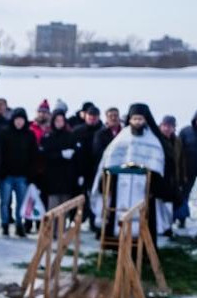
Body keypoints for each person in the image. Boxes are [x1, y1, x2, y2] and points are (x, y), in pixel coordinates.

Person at [90, 103, 175, 242]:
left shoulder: (153, 141)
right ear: (129, 120)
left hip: (144, 188)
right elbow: (109, 161)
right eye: (134, 119)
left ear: (146, 120)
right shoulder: (121, 139)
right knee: (118, 215)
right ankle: (116, 244)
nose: (137, 122)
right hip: (122, 185)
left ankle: (143, 245)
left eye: (140, 119)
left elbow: (157, 165)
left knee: (145, 217)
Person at [0, 108, 35, 237]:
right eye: (17, 119)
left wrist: (31, 174)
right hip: (6, 175)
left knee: (21, 202)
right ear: (13, 120)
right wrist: (0, 171)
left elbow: (33, 156)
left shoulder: (29, 135)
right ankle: (5, 224)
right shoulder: (4, 133)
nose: (19, 122)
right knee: (5, 201)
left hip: (22, 175)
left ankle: (19, 225)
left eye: (22, 120)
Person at [41, 111, 80, 211]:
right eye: (57, 120)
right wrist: (61, 155)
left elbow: (77, 154)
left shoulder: (70, 136)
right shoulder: (48, 137)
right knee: (53, 209)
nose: (59, 123)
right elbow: (45, 155)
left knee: (64, 209)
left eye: (61, 120)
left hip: (67, 179)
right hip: (52, 180)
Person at [72, 105, 103, 226]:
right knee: (80, 196)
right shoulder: (78, 131)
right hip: (81, 170)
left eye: (94, 117)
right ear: (86, 116)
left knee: (95, 196)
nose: (92, 119)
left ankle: (93, 220)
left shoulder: (102, 131)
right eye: (90, 116)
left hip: (96, 170)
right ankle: (78, 219)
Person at [159, 115, 188, 233]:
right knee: (161, 204)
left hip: (173, 177)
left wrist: (182, 177)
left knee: (175, 201)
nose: (167, 129)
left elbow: (181, 160)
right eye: (165, 126)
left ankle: (171, 223)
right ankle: (163, 226)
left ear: (174, 128)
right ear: (161, 126)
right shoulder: (157, 139)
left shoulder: (177, 141)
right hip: (160, 177)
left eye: (170, 126)